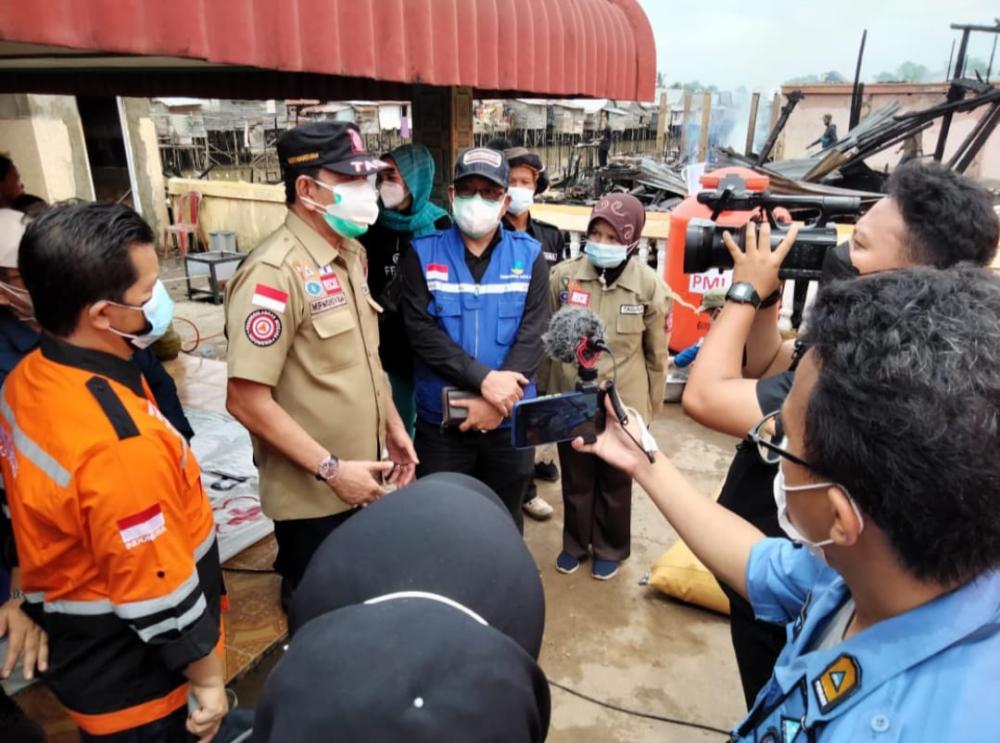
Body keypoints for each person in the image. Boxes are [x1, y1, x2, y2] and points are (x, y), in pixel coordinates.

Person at [580, 265, 1000, 739]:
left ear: (841, 517)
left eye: (780, 438)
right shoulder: (877, 570)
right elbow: (760, 564)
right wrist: (644, 461)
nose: (772, 444)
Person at [682, 161, 1000, 706]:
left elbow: (705, 395)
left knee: (786, 695)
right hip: (774, 560)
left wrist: (740, 290)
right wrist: (767, 299)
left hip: (797, 583)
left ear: (916, 272)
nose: (840, 252)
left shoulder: (863, 385)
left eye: (862, 245)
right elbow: (768, 365)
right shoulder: (874, 344)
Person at [0, 202, 227, 741]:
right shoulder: (118, 442)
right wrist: (210, 679)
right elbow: (157, 591)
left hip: (82, 649)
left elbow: (20, 505)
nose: (159, 302)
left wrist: (19, 593)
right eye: (148, 294)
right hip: (142, 685)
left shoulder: (30, 377)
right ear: (102, 314)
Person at [225, 121, 418, 608]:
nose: (367, 192)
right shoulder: (272, 273)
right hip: (314, 497)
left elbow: (363, 360)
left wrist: (393, 427)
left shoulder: (349, 253)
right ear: (307, 188)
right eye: (351, 180)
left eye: (367, 179)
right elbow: (245, 400)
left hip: (365, 477)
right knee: (319, 607)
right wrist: (332, 470)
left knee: (362, 599)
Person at [400, 147, 550, 532]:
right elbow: (421, 333)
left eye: (490, 192)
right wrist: (485, 383)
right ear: (451, 195)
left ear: (504, 203)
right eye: (469, 190)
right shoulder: (421, 254)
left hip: (509, 420)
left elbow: (534, 334)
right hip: (445, 424)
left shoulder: (530, 257)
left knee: (504, 517)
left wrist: (499, 403)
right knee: (444, 520)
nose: (478, 200)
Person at [546, 194, 669, 580]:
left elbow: (656, 354)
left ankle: (610, 547)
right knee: (577, 475)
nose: (602, 243)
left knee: (616, 479)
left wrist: (649, 410)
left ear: (632, 241)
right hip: (574, 396)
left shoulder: (648, 286)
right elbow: (549, 343)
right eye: (596, 233)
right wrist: (550, 400)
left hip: (624, 398)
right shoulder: (564, 278)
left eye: (613, 237)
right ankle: (574, 543)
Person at [488, 138, 568, 521]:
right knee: (507, 414)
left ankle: (533, 477)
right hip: (505, 340)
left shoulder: (551, 235)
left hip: (544, 340)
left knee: (538, 412)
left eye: (527, 181)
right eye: (514, 180)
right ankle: (520, 490)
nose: (521, 188)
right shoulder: (488, 230)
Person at [361, 143, 452, 438]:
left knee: (431, 417)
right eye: (381, 177)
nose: (383, 184)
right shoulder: (369, 223)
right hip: (385, 338)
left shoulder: (440, 223)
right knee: (395, 417)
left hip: (426, 335)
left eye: (392, 177)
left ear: (415, 180)